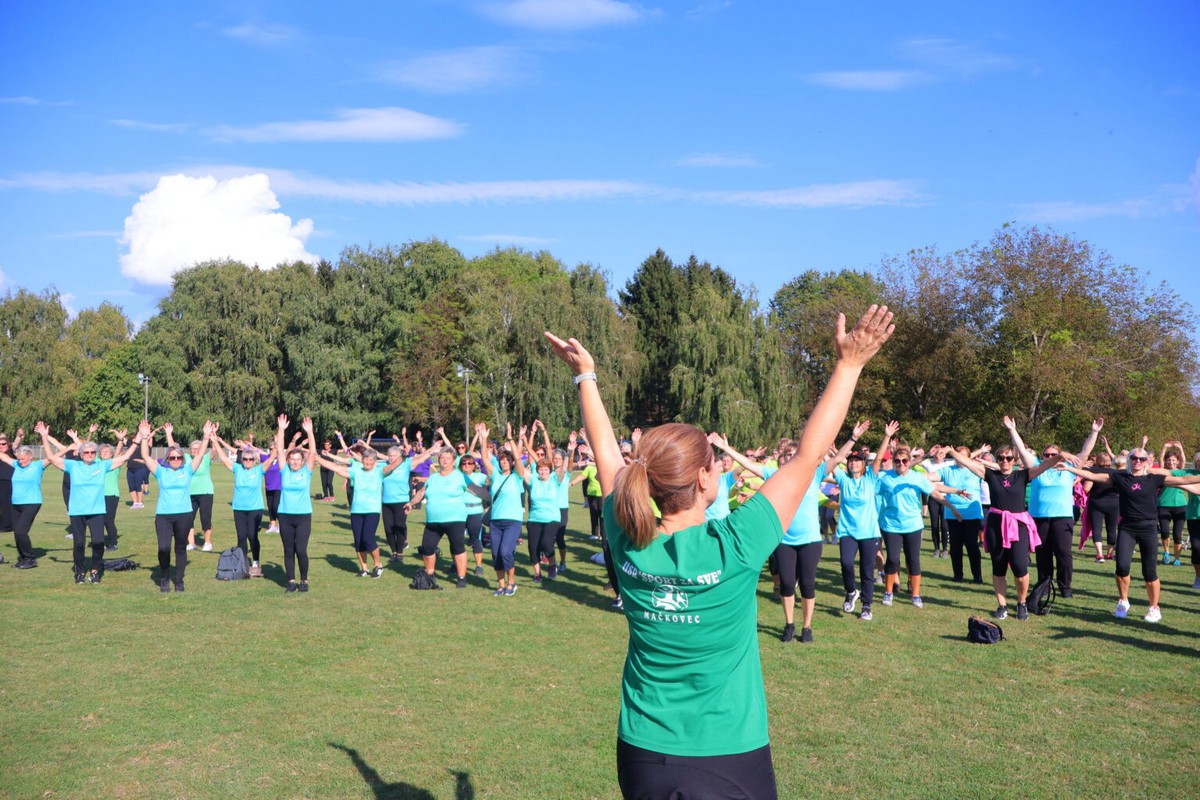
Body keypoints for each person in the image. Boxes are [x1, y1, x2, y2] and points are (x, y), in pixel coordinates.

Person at [545, 304, 893, 800]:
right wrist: (849, 365)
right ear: (708, 478)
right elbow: (809, 455)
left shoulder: (625, 533)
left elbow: (606, 454)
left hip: (643, 752)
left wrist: (587, 376)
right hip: (729, 750)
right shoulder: (736, 543)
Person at [1058, 448, 1200, 622]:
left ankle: (1154, 608)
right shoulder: (1120, 477)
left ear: (1147, 461)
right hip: (1127, 528)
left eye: (1142, 458)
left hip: (1148, 528)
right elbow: (1094, 476)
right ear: (1130, 460)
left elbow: (1183, 479)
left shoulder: (1154, 478)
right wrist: (1069, 469)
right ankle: (1123, 602)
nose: (1138, 461)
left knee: (1149, 571)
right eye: (1134, 458)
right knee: (1122, 567)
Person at [942, 417, 1062, 621]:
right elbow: (969, 463)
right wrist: (951, 452)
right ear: (996, 460)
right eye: (1001, 458)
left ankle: (1022, 602)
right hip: (996, 525)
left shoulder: (1023, 475)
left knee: (1019, 566)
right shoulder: (991, 476)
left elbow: (1045, 465)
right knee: (998, 567)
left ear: (1014, 461)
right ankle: (1002, 606)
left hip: (1018, 525)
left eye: (1008, 458)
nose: (1004, 461)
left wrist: (1061, 456)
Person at [1008, 418, 1102, 599]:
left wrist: (1094, 432)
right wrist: (1013, 430)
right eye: (1046, 455)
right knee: (1042, 554)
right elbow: (1021, 450)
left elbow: (1085, 452)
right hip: (1039, 517)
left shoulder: (1068, 468)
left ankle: (1065, 588)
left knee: (1064, 554)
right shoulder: (1036, 467)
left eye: (1053, 455)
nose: (1050, 458)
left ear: (1061, 455)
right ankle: (1044, 586)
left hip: (1062, 517)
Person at [875, 421, 962, 609]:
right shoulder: (884, 478)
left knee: (913, 560)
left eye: (904, 461)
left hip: (913, 525)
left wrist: (952, 508)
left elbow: (935, 493)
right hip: (891, 525)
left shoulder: (916, 478)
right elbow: (869, 487)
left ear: (909, 462)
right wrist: (887, 437)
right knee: (892, 559)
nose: (901, 464)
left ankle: (915, 595)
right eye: (897, 461)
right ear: (894, 462)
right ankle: (888, 592)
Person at [39, 421, 138, 583]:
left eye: (93, 452)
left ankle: (95, 570)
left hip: (97, 511)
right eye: (87, 452)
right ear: (81, 453)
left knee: (98, 542)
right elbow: (50, 457)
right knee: (79, 543)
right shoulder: (73, 465)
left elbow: (125, 457)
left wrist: (137, 440)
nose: (90, 454)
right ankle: (79, 571)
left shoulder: (102, 465)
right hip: (77, 511)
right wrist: (44, 436)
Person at [138, 420, 213, 592]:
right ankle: (165, 576)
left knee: (180, 548)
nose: (176, 460)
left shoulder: (187, 470)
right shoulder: (160, 471)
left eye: (179, 457)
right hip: (164, 515)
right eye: (173, 457)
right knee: (164, 548)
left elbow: (200, 454)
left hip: (184, 515)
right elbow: (145, 456)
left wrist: (206, 437)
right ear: (168, 459)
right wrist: (144, 437)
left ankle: (179, 580)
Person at [823, 421, 880, 620]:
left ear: (864, 465)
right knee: (846, 563)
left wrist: (887, 436)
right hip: (848, 531)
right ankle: (850, 592)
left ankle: (866, 606)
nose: (854, 463)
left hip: (870, 533)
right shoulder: (844, 480)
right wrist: (822, 440)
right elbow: (830, 460)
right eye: (851, 461)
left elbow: (879, 458)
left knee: (866, 570)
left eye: (858, 461)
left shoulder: (870, 479)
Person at [316, 443, 388, 578]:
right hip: (356, 511)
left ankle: (378, 565)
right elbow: (336, 467)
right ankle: (364, 569)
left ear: (374, 461)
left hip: (372, 510)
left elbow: (392, 464)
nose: (367, 462)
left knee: (368, 538)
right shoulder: (356, 471)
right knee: (358, 540)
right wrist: (318, 459)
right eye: (365, 459)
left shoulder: (379, 471)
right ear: (362, 460)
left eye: (370, 460)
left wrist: (402, 457)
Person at [406, 443, 471, 589]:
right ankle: (430, 575)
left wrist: (492, 498)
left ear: (454, 460)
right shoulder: (433, 478)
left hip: (455, 519)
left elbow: (477, 490)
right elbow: (422, 492)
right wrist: (411, 503)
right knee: (427, 547)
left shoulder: (460, 476)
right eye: (442, 457)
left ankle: (461, 578)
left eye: (448, 458)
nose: (444, 460)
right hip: (433, 521)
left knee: (457, 548)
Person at [0, 435, 70, 569]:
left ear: (30, 457)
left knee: (21, 531)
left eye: (23, 459)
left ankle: (30, 559)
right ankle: (23, 559)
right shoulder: (16, 465)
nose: (20, 462)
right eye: (19, 459)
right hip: (15, 504)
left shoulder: (38, 466)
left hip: (32, 503)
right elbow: (3, 456)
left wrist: (45, 436)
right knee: (17, 532)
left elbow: (51, 458)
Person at [211, 431, 274, 570]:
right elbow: (223, 457)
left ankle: (256, 560)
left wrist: (279, 438)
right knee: (241, 536)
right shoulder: (237, 469)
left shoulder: (259, 470)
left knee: (252, 535)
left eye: (250, 459)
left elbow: (272, 458)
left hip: (255, 508)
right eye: (245, 459)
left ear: (255, 460)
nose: (248, 462)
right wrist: (215, 441)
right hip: (239, 508)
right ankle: (243, 562)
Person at [478, 423, 526, 596]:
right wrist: (483, 439)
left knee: (506, 552)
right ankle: (501, 585)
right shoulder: (496, 475)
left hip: (512, 520)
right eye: (502, 460)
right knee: (496, 554)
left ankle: (511, 583)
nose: (504, 462)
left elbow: (519, 459)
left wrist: (510, 437)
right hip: (496, 521)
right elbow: (484, 459)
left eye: (507, 460)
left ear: (512, 462)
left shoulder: (517, 477)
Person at [276, 415, 318, 593]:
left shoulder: (307, 472)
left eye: (297, 460)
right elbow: (279, 450)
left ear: (302, 461)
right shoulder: (284, 471)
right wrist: (282, 430)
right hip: (285, 515)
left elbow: (314, 453)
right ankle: (291, 581)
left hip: (303, 516)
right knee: (288, 550)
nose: (294, 462)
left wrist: (310, 432)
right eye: (291, 459)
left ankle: (304, 580)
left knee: (301, 549)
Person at [933, 446, 986, 584]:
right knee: (955, 546)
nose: (958, 458)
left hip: (972, 514)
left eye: (961, 455)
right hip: (952, 514)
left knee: (971, 545)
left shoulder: (975, 470)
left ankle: (977, 576)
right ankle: (958, 575)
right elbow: (931, 477)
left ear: (968, 457)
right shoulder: (947, 470)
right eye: (956, 455)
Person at [1157, 441, 1188, 566]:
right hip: (1163, 505)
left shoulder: (1180, 471)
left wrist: (1180, 448)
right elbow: (1160, 459)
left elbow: (1184, 461)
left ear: (1177, 461)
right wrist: (1164, 447)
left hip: (1180, 506)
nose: (1171, 462)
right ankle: (1166, 553)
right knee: (1164, 531)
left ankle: (1177, 558)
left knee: (1177, 533)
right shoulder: (1163, 471)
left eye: (1174, 460)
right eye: (1169, 460)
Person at [381, 442, 413, 560]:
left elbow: (420, 459)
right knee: (388, 529)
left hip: (401, 501)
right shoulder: (383, 466)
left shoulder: (406, 464)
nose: (391, 458)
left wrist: (431, 450)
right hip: (386, 503)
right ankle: (393, 551)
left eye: (394, 455)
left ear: (399, 456)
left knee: (399, 526)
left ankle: (399, 553)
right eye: (389, 455)